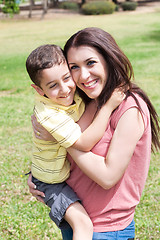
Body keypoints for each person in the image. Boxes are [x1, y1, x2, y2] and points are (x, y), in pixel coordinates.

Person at [27, 27, 160, 240]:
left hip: (107, 230)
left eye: (90, 63)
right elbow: (54, 149)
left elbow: (108, 177)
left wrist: (62, 139)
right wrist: (38, 176)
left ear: (108, 59)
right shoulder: (82, 102)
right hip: (74, 220)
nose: (83, 75)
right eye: (74, 67)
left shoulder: (129, 107)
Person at [26, 44, 124, 240]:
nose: (65, 89)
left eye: (67, 78)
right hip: (50, 182)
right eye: (53, 85)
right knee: (83, 224)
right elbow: (83, 142)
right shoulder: (49, 114)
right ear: (38, 90)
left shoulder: (71, 96)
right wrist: (107, 106)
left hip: (55, 173)